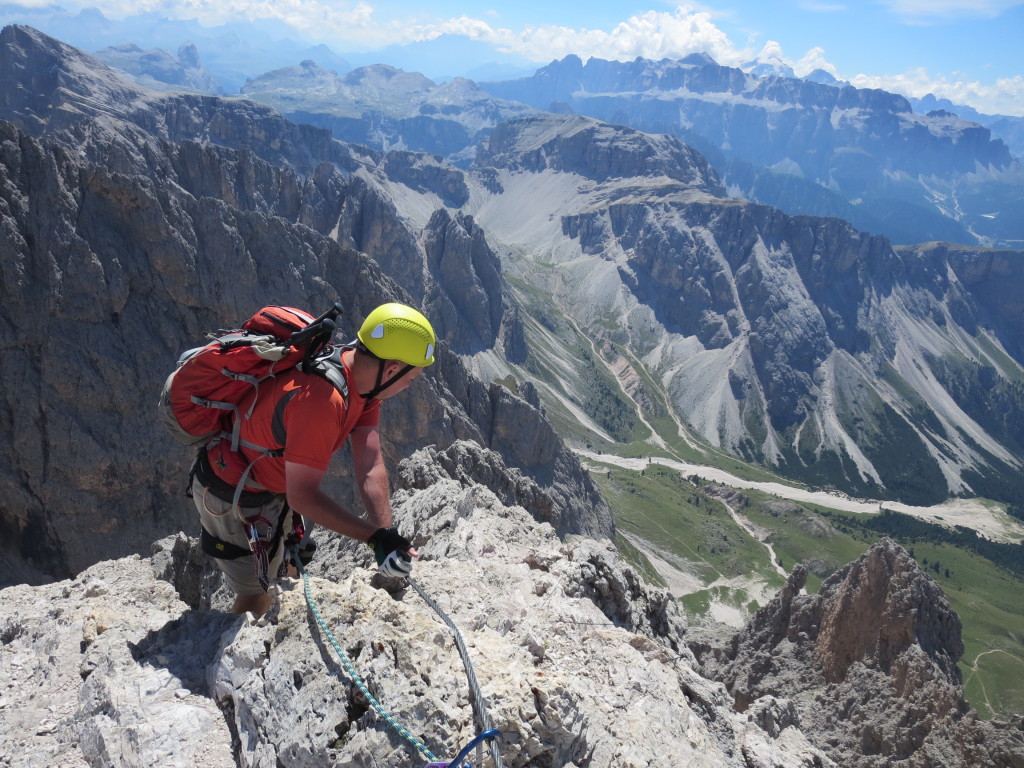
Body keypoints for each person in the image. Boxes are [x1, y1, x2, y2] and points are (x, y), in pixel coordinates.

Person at [190, 302, 436, 616]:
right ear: (391, 369)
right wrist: (375, 538)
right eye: (411, 378)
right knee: (255, 597)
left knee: (291, 566)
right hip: (233, 495)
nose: (408, 386)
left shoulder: (363, 383)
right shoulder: (322, 400)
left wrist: (388, 539)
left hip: (274, 484)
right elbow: (304, 497)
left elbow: (370, 464)